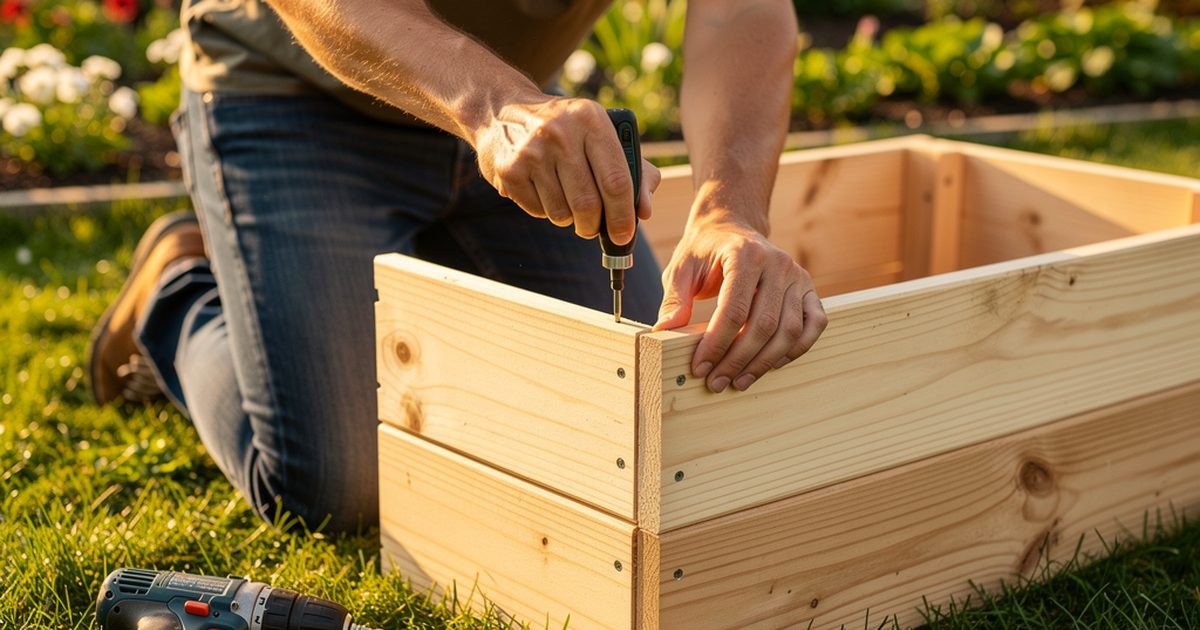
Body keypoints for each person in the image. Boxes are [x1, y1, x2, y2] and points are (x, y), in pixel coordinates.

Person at [88, 0, 828, 533]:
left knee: (619, 416)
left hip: (516, 101)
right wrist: (491, 105)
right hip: (293, 90)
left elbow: (740, 12)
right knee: (339, 484)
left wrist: (730, 208)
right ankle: (177, 292)